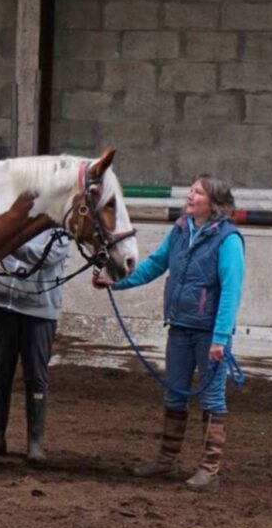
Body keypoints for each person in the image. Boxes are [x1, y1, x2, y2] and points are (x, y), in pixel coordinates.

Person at [93, 174, 245, 492]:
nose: (190, 195)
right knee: (174, 392)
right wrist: (117, 282)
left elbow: (231, 291)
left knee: (212, 396)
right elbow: (155, 265)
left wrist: (220, 338)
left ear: (214, 203)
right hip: (179, 327)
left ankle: (209, 468)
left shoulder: (229, 240)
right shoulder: (180, 230)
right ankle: (166, 459)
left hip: (207, 333)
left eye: (198, 192)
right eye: (191, 190)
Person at [0, 230, 70, 464]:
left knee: (36, 376)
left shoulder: (59, 229)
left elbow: (45, 257)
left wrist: (8, 238)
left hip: (40, 310)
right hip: (4, 303)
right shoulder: (12, 217)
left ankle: (35, 442)